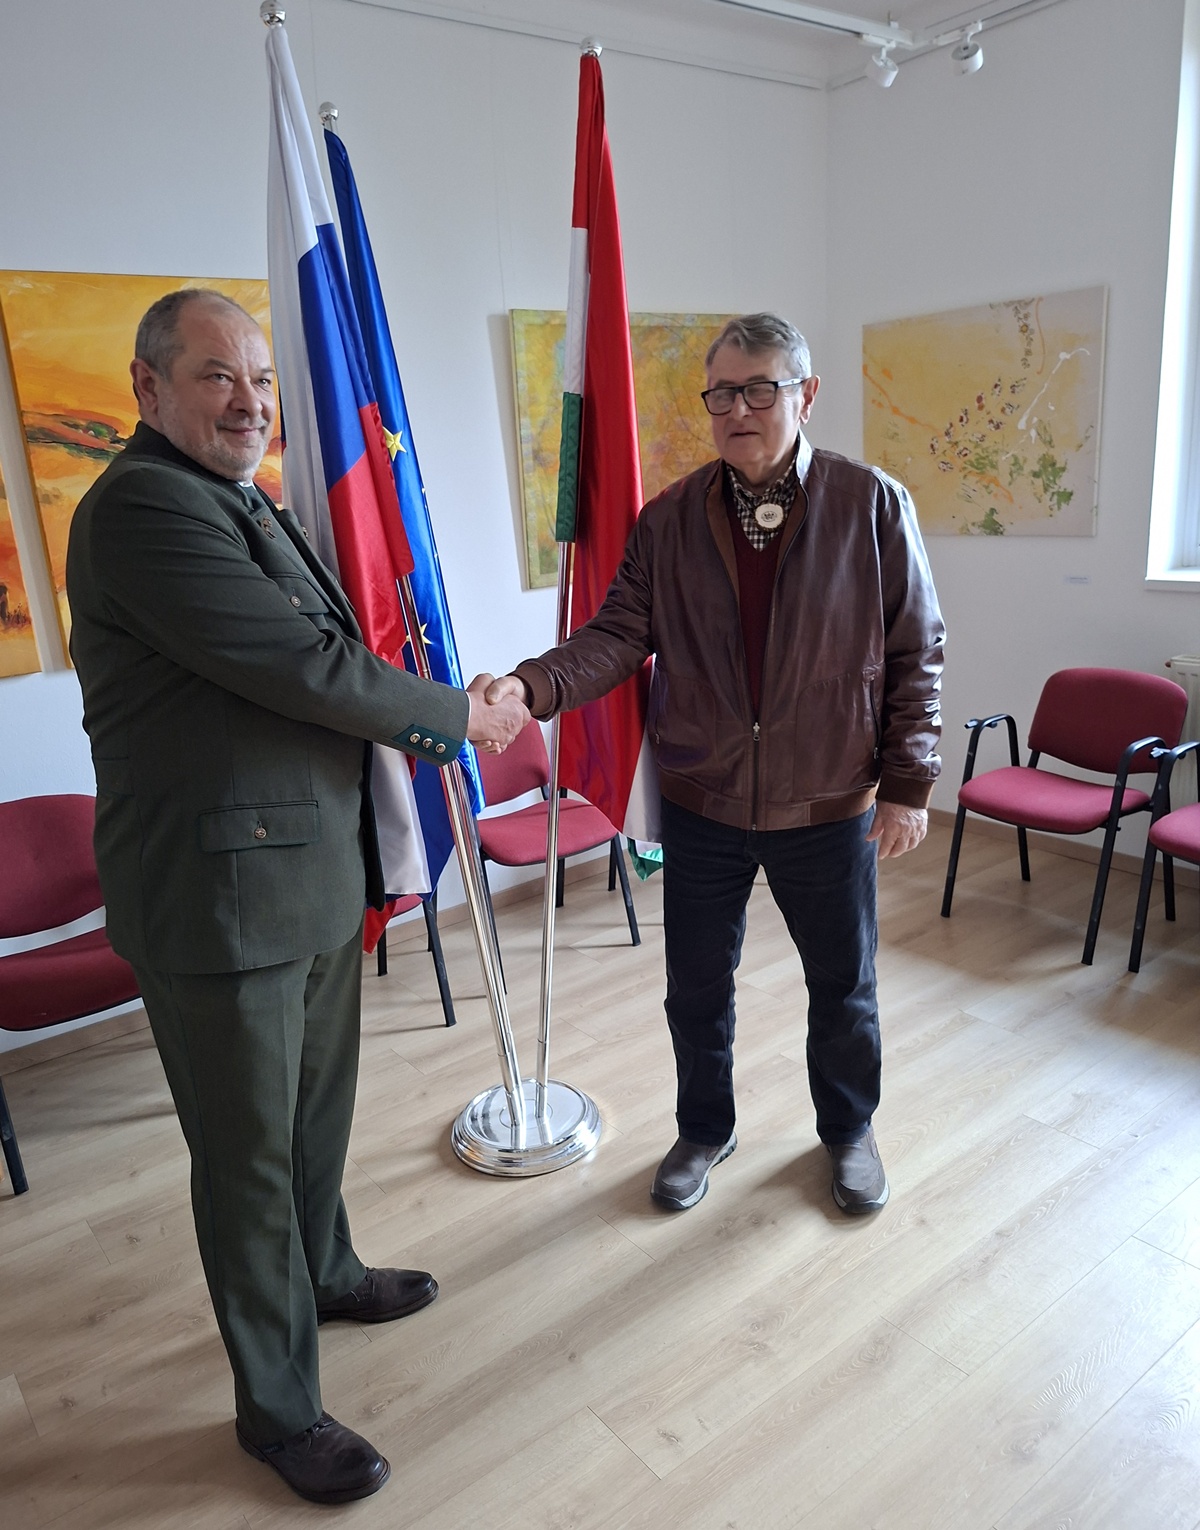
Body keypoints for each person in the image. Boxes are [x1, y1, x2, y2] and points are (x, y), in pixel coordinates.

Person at [65, 289, 528, 1505]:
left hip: (308, 877)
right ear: (147, 387)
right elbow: (303, 665)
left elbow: (326, 654)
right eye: (218, 376)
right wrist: (457, 718)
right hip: (219, 905)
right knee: (249, 1163)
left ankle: (326, 1273)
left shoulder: (243, 500)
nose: (251, 402)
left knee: (313, 1123)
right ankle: (277, 1410)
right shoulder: (144, 510)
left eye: (263, 379)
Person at [488, 312, 943, 1218]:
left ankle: (849, 1131)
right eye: (722, 393)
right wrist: (529, 685)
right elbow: (617, 636)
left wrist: (907, 785)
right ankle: (703, 1128)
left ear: (806, 395)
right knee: (695, 988)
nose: (738, 409)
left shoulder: (872, 504)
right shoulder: (669, 519)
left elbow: (916, 651)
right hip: (705, 801)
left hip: (827, 804)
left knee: (843, 987)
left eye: (760, 388)